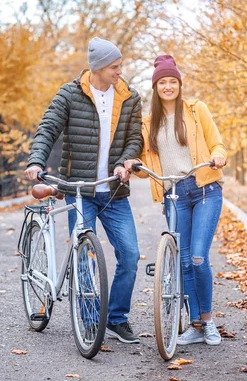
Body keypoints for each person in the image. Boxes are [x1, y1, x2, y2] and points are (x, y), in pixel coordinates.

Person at [24, 37, 143, 344]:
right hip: (80, 192)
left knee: (130, 255)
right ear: (100, 67)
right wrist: (36, 160)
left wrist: (123, 162)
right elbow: (48, 127)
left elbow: (134, 139)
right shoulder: (70, 93)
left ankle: (116, 318)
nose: (120, 71)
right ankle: (89, 322)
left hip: (113, 191)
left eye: (119, 65)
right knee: (85, 256)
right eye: (115, 66)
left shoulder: (129, 97)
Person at [124, 55, 226, 346]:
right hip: (174, 195)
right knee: (183, 264)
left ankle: (207, 321)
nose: (168, 87)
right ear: (155, 87)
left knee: (197, 257)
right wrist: (134, 165)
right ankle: (194, 325)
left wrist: (219, 155)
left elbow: (216, 141)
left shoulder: (196, 110)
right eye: (162, 82)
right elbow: (147, 166)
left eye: (173, 81)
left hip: (205, 188)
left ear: (179, 84)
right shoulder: (147, 124)